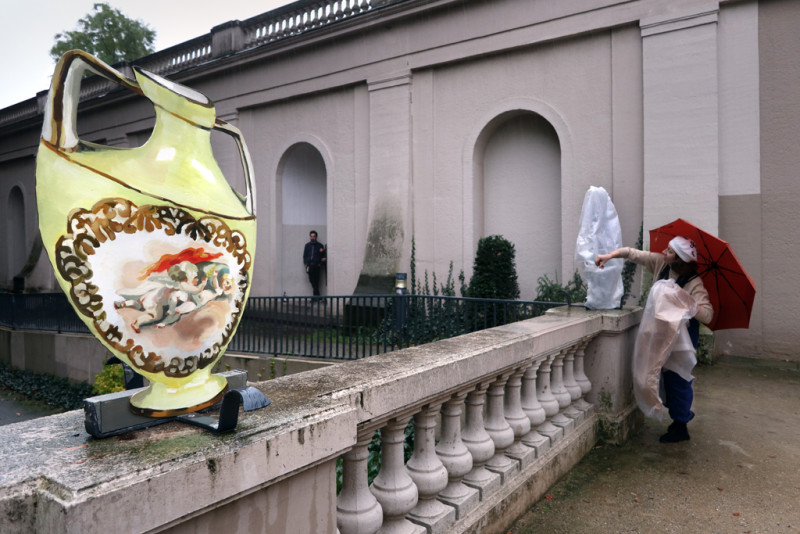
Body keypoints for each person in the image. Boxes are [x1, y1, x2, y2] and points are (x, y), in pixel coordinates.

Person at [595, 236, 713, 443]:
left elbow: (708, 315)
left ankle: (680, 425)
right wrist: (609, 256)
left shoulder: (695, 282)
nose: (664, 252)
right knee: (653, 374)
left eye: (669, 251)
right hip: (658, 334)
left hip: (681, 341)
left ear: (680, 259)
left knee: (679, 379)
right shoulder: (661, 263)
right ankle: (677, 411)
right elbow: (633, 254)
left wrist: (688, 302)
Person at [303, 230, 326, 298]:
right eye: (311, 236)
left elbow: (324, 256)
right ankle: (317, 296)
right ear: (310, 237)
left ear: (316, 237)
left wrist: (320, 263)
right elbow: (304, 255)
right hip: (309, 265)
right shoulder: (307, 245)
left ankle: (315, 297)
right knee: (311, 280)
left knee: (317, 280)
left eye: (314, 236)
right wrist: (305, 263)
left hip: (317, 265)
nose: (312, 238)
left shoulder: (320, 245)